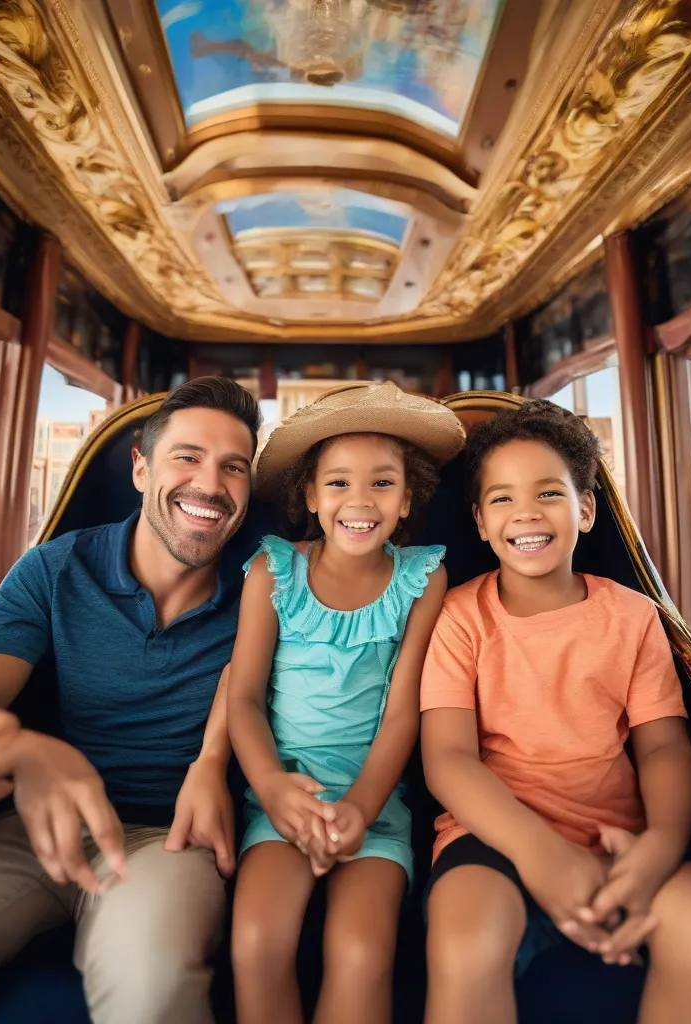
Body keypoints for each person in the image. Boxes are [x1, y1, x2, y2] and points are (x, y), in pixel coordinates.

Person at [0, 377, 263, 1024]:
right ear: (142, 468)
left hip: (173, 837)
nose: (211, 483)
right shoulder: (56, 569)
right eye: (187, 457)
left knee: (149, 978)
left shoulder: (268, 585)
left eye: (234, 467)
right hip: (35, 823)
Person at [419, 400, 691, 1024]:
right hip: (492, 838)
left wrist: (660, 845)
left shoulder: (632, 617)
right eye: (501, 498)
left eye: (549, 492)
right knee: (466, 940)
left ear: (586, 509)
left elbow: (662, 747)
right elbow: (447, 759)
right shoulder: (460, 616)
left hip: (618, 840)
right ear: (480, 521)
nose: (526, 511)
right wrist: (540, 854)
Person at [227, 383, 464, 1024]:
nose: (359, 502)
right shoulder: (271, 572)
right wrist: (274, 789)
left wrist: (359, 807)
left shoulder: (422, 578)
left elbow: (402, 713)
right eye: (337, 484)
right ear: (309, 495)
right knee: (255, 942)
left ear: (407, 497)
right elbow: (244, 698)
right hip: (280, 799)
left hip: (374, 805)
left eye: (382, 484)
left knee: (361, 952)